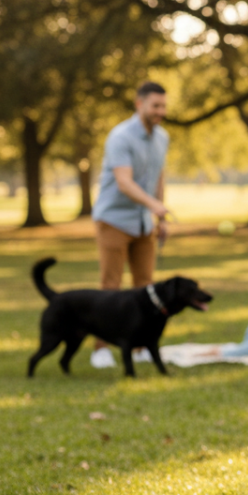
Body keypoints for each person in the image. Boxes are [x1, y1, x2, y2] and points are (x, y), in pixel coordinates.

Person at [89, 81, 172, 369]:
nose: (160, 111)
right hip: (114, 218)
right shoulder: (120, 136)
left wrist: (160, 217)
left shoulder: (163, 137)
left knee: (146, 288)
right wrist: (154, 205)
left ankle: (141, 346)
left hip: (143, 222)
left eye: (163, 106)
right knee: (111, 287)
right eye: (155, 106)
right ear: (140, 104)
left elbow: (158, 178)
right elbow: (124, 182)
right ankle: (100, 349)